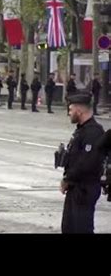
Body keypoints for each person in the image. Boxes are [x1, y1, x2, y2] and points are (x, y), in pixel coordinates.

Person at [60, 93, 106, 233]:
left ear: (79, 111)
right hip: (75, 187)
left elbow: (87, 162)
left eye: (70, 110)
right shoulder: (81, 130)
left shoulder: (93, 132)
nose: (69, 113)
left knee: (81, 228)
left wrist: (67, 179)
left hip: (85, 188)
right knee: (69, 227)